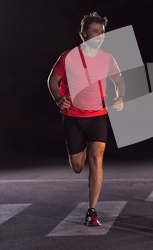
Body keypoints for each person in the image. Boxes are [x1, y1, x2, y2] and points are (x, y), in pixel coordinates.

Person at [47, 12, 125, 226]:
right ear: (83, 34)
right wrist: (57, 98)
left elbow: (119, 81)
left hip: (98, 115)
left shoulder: (107, 58)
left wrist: (120, 97)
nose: (100, 36)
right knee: (78, 166)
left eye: (102, 32)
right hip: (72, 116)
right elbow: (53, 80)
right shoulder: (68, 56)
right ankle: (78, 158)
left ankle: (92, 211)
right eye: (95, 32)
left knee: (97, 159)